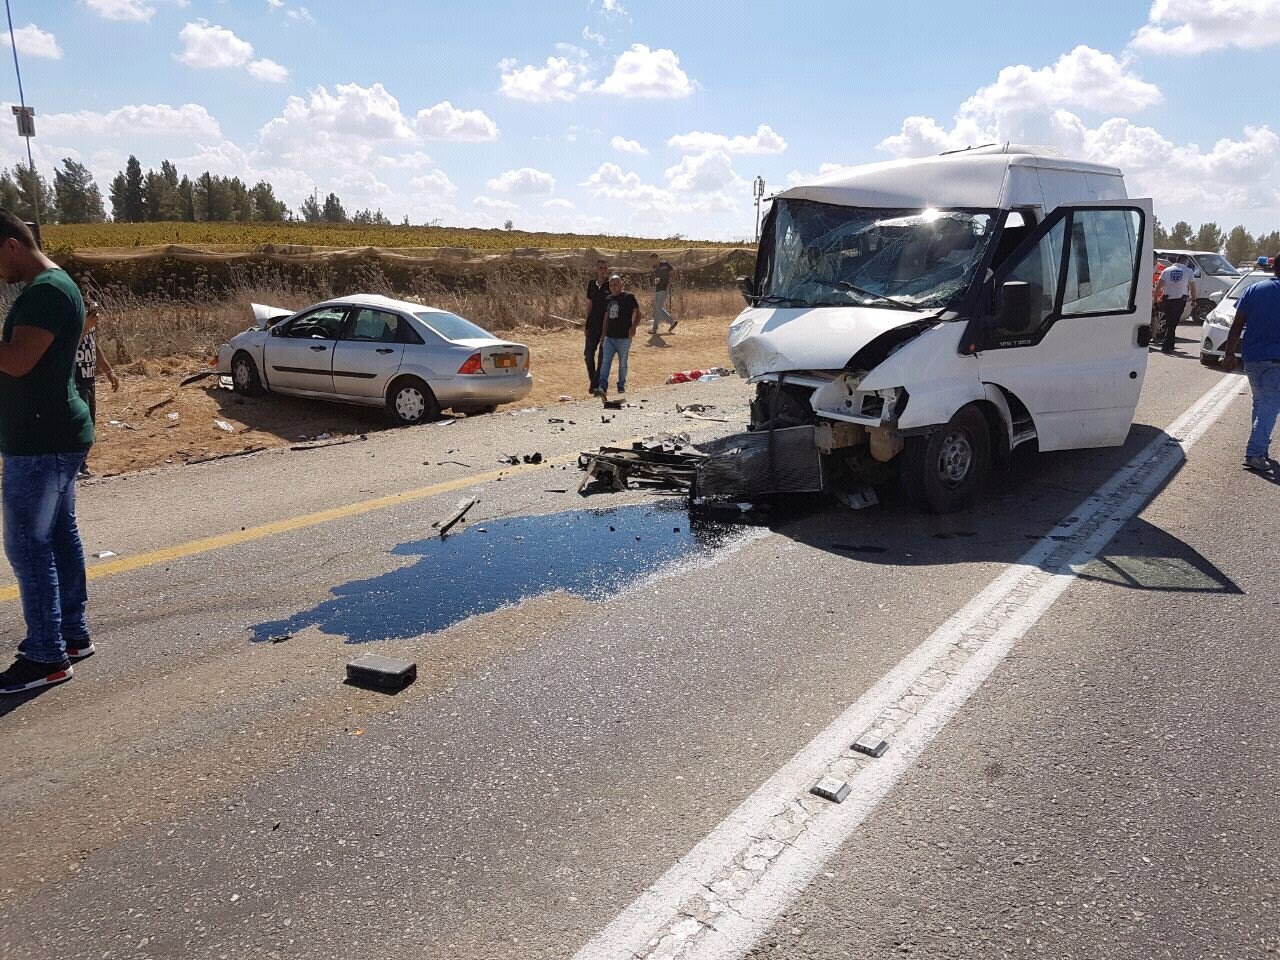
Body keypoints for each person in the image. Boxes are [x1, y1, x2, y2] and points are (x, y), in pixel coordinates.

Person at [0, 210, 96, 694]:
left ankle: (45, 654)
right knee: (57, 535)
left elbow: (18, 361)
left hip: (40, 440)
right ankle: (72, 634)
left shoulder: (45, 292)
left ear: (11, 246)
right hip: (53, 433)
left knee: (26, 543)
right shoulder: (58, 285)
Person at [1221, 254, 1280, 473]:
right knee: (1270, 405)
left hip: (1253, 358)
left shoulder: (1254, 289)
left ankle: (1261, 448)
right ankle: (1255, 452)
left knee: (1261, 403)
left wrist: (1229, 353)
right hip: (1276, 360)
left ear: (1274, 268)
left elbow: (1237, 324)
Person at [74, 301, 120, 478]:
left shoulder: (90, 329)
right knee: (78, 425)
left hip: (89, 380)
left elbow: (94, 347)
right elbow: (70, 347)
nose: (96, 317)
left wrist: (109, 371)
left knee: (89, 424)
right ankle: (75, 467)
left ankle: (82, 464)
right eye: (91, 313)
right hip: (75, 381)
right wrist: (85, 327)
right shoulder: (73, 326)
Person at [598, 274, 641, 396]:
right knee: (605, 362)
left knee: (622, 364)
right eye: (611, 285)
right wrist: (603, 334)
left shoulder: (629, 297)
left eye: (615, 285)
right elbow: (606, 317)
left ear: (622, 285)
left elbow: (638, 313)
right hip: (609, 338)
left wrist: (634, 327)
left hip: (624, 338)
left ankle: (621, 385)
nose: (613, 287)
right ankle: (602, 386)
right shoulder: (608, 299)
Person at [1154, 259, 1197, 354]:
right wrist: (1194, 299)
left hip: (1167, 299)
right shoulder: (1188, 271)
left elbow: (1159, 286)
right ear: (1185, 262)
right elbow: (1192, 286)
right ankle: (1166, 346)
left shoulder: (1167, 270)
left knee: (1170, 322)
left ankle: (1170, 344)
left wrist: (1155, 299)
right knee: (1172, 323)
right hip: (1179, 300)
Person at [584, 258, 610, 396]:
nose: (603, 271)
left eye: (605, 268)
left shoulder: (610, 284)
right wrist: (586, 324)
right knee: (588, 355)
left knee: (602, 357)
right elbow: (589, 305)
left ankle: (597, 386)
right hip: (592, 324)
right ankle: (594, 383)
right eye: (601, 268)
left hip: (606, 325)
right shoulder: (591, 284)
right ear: (596, 269)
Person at [648, 253, 677, 335]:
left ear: (658, 258)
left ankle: (654, 329)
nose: (653, 262)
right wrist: (655, 282)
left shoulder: (665, 265)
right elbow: (656, 277)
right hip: (658, 289)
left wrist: (670, 283)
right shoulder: (654, 267)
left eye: (654, 260)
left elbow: (674, 272)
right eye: (651, 261)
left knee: (657, 308)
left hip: (664, 288)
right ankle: (672, 322)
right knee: (657, 307)